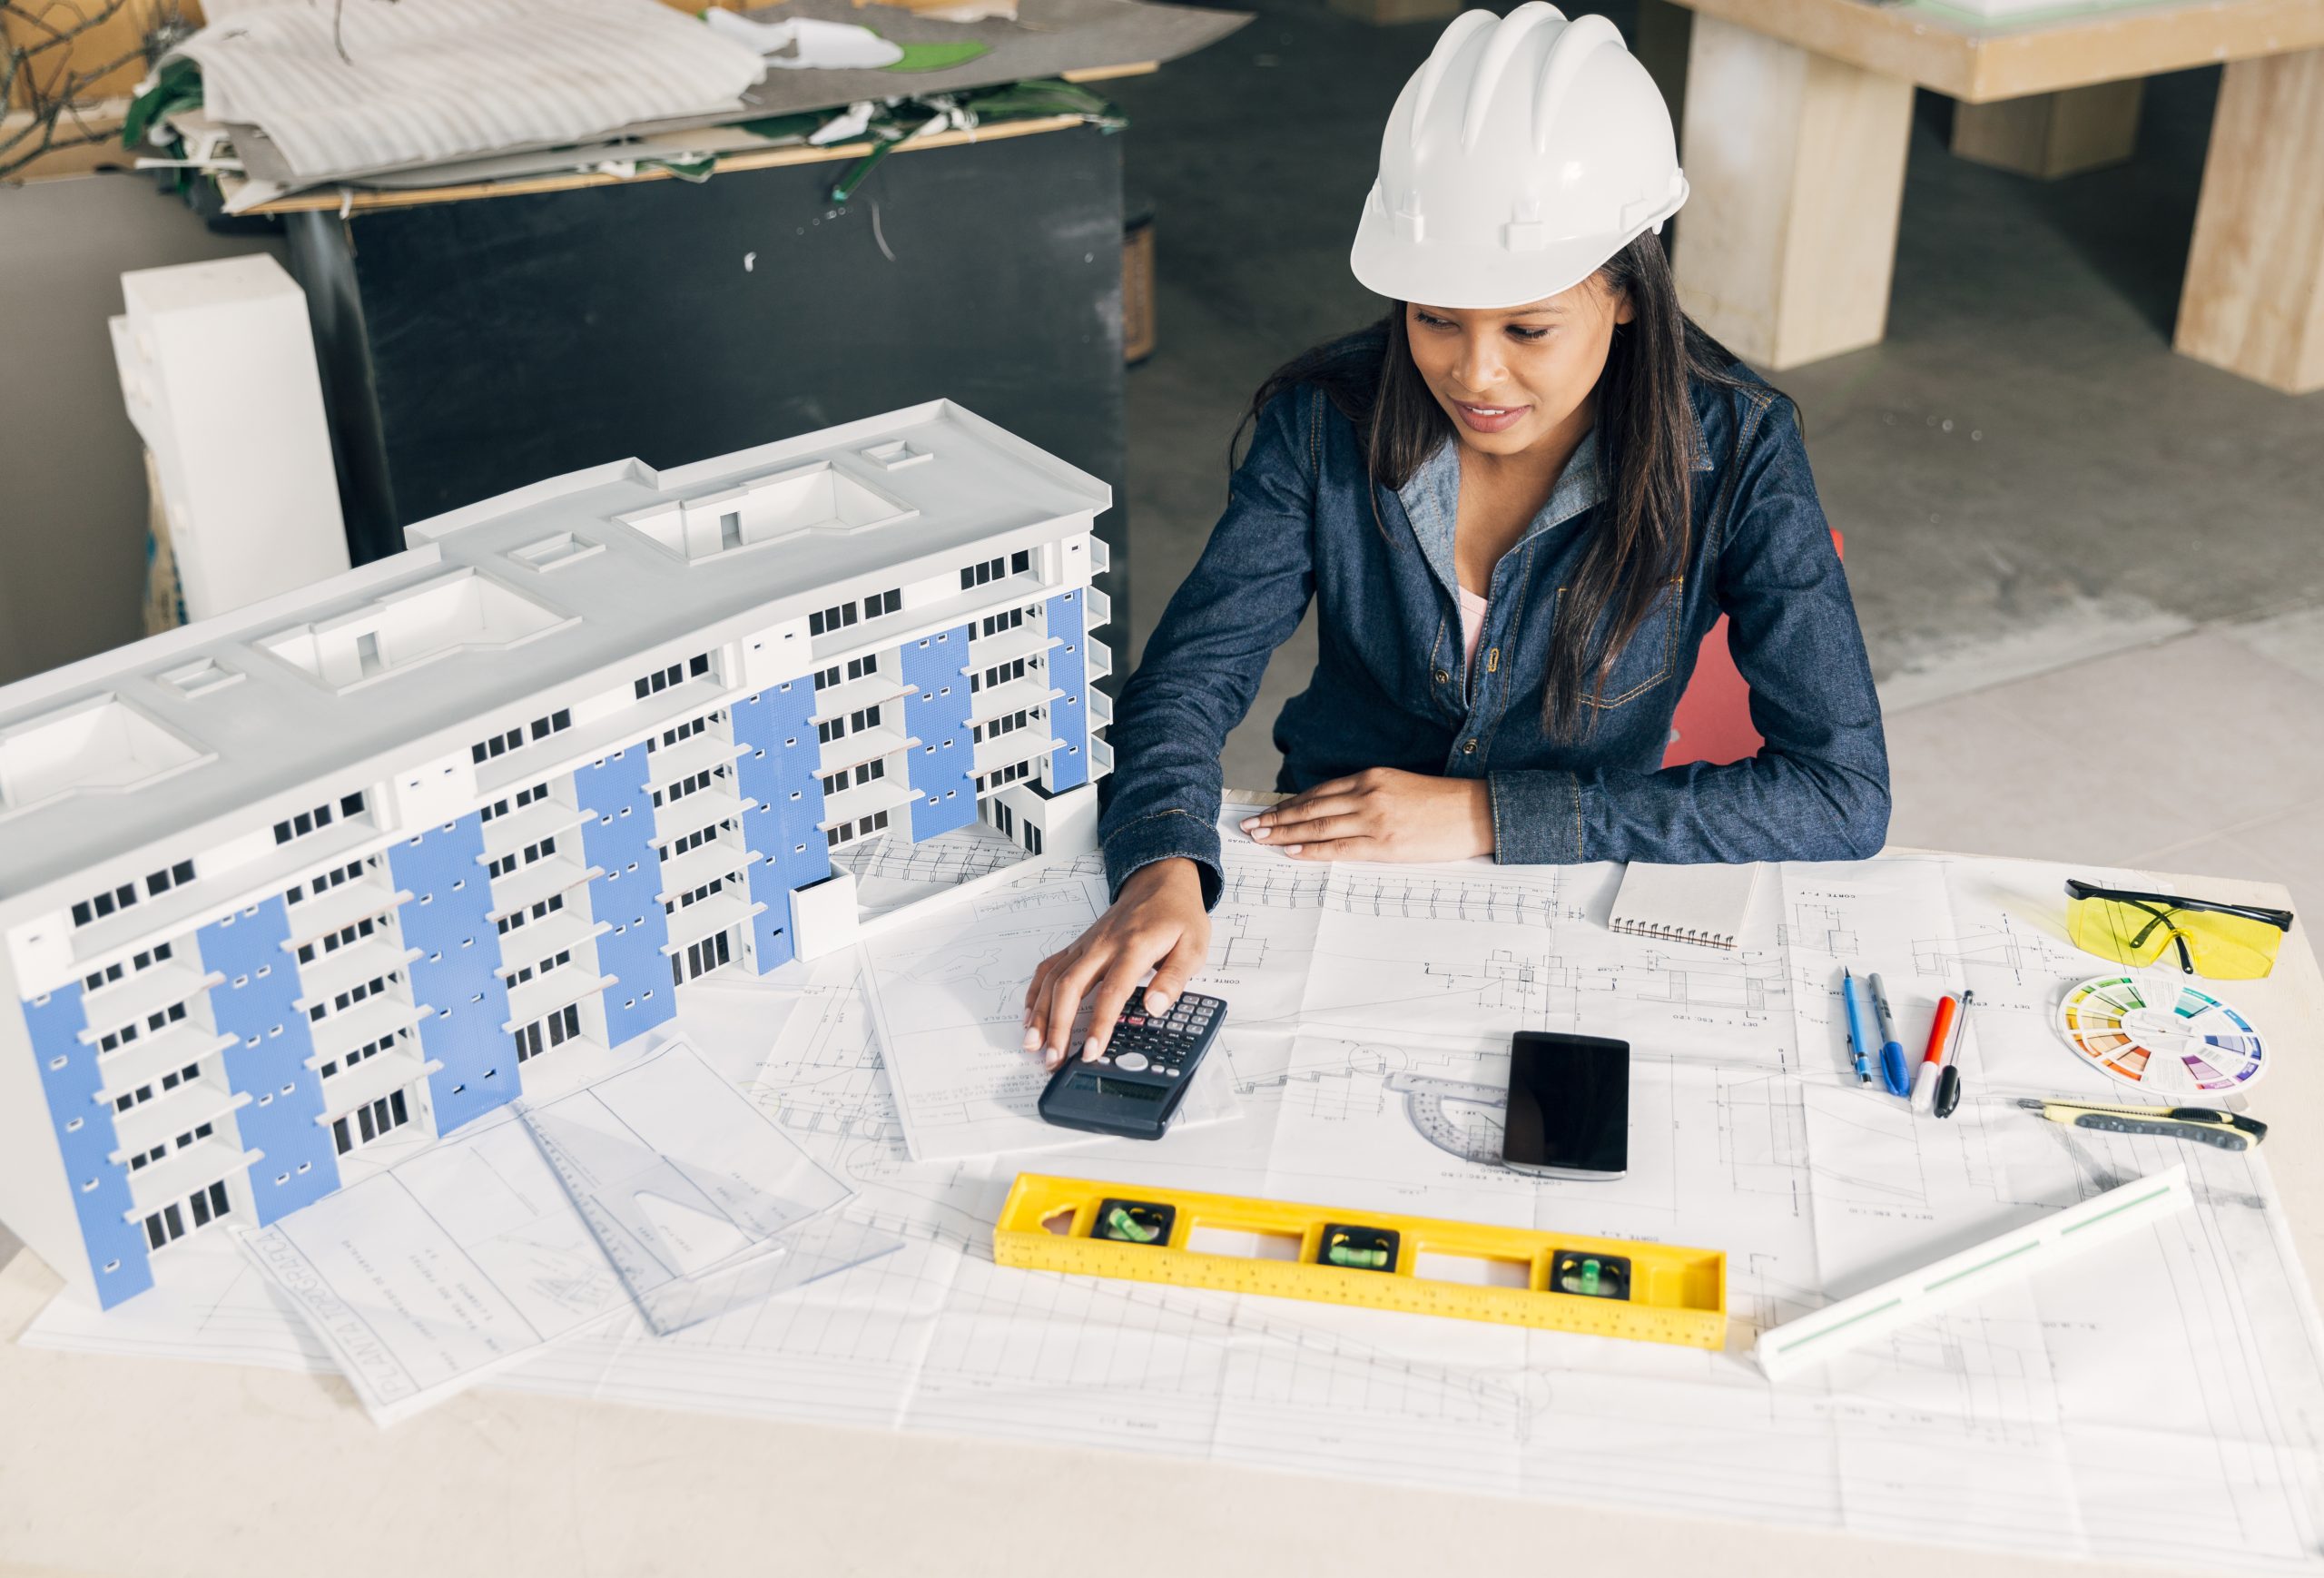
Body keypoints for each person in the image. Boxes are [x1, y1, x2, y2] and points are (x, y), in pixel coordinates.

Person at [1023, 3, 1889, 1068]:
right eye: (1434, 318)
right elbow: (1190, 678)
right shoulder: (1323, 419)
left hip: (1563, 894)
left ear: (1626, 290)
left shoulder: (1740, 448)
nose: (1473, 376)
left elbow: (1840, 795)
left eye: (1527, 328)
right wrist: (1161, 857)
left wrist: (1487, 815)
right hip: (1328, 872)